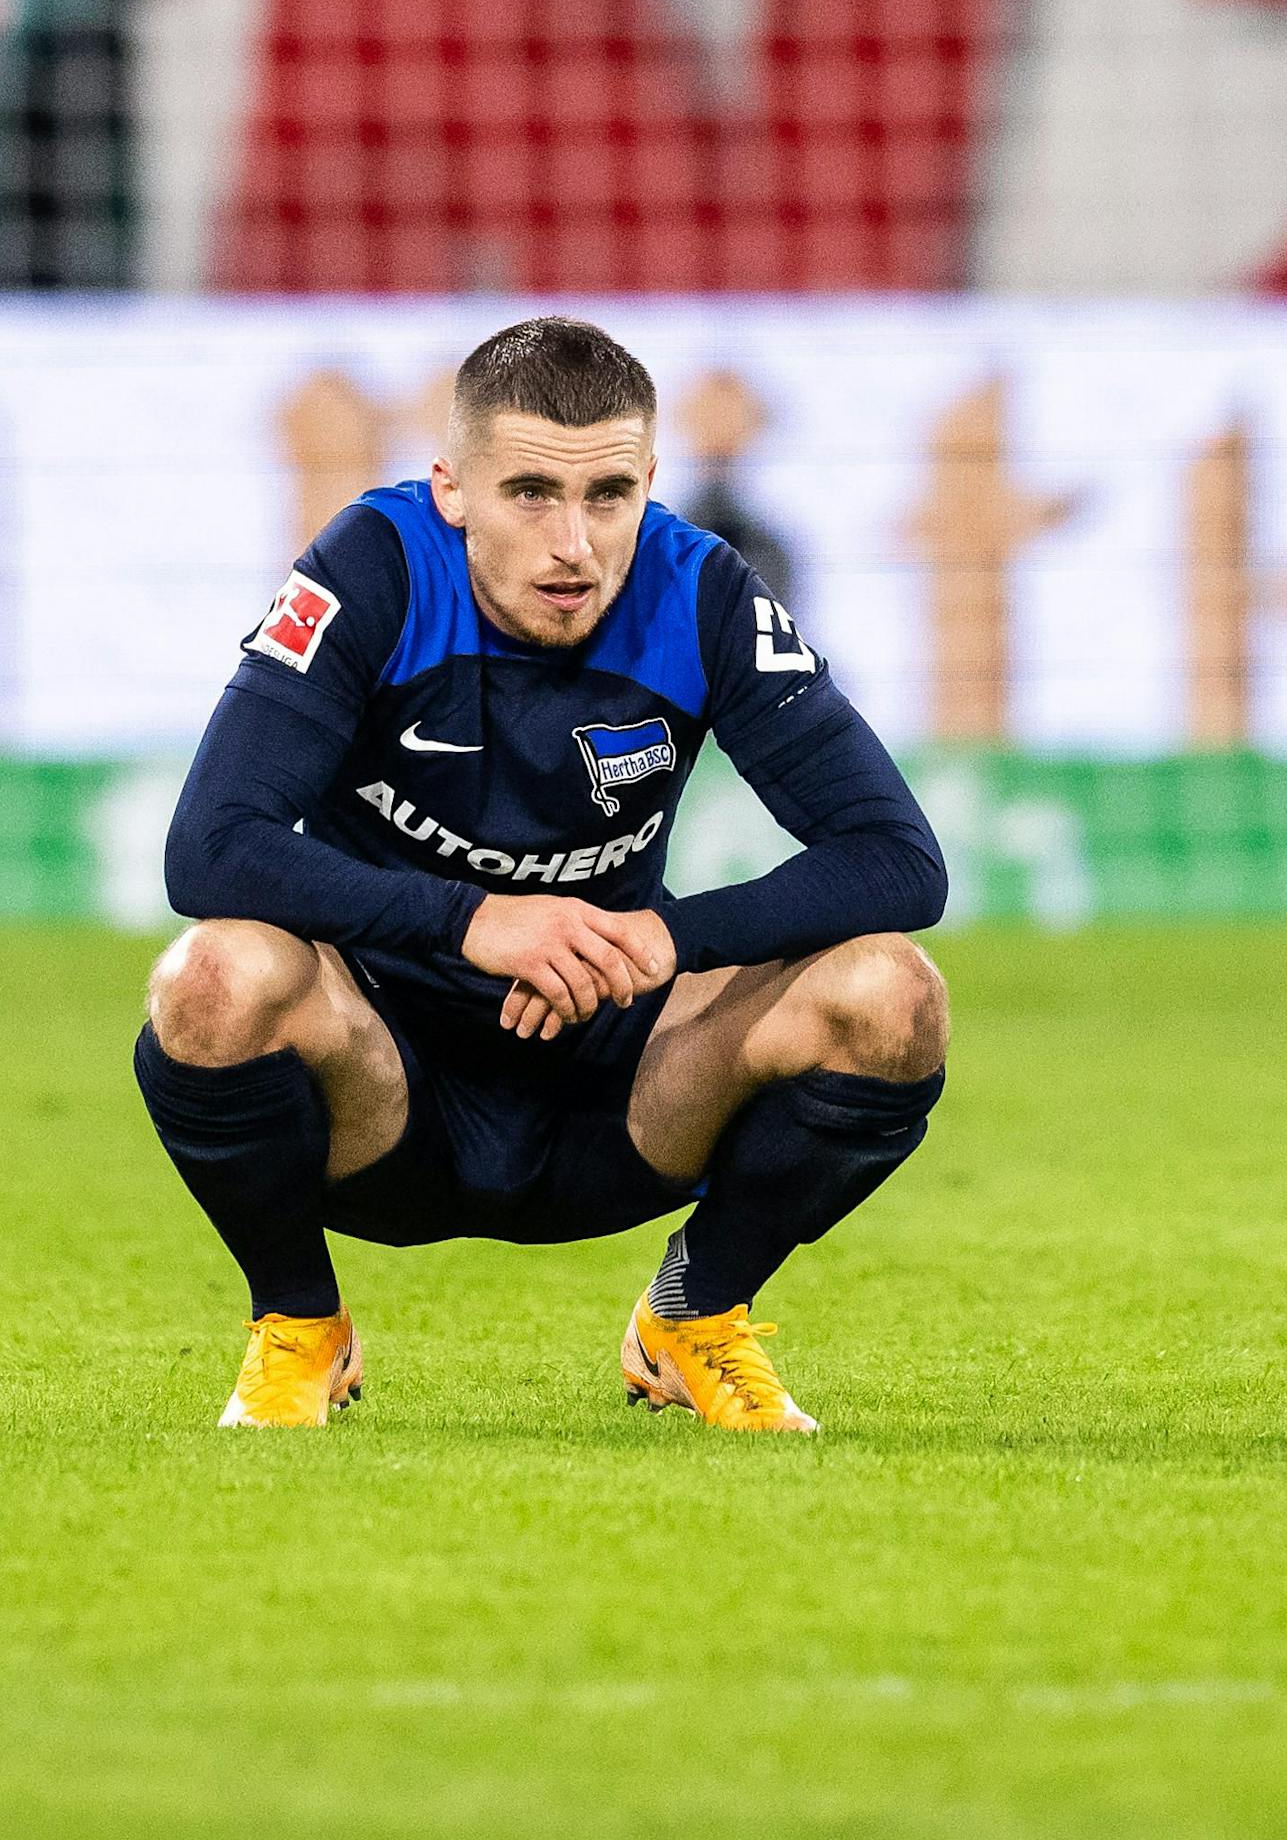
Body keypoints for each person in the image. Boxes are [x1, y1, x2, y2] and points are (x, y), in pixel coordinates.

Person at [135, 316, 949, 1435]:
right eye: (528, 493)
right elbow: (210, 844)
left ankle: (694, 1313)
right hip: (386, 1081)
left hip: (619, 1081)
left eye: (608, 494)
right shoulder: (373, 567)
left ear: (649, 482)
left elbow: (898, 857)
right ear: (451, 487)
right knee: (212, 976)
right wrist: (470, 918)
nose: (574, 542)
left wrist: (667, 937)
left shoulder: (699, 589)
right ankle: (299, 1326)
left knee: (891, 993)